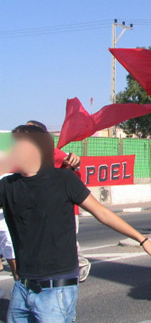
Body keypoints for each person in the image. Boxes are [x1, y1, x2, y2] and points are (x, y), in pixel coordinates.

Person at [0, 125, 151, 322]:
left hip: (55, 289)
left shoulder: (64, 179)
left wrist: (142, 239)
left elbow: (101, 212)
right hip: (22, 287)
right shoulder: (7, 186)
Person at [25, 120, 92, 282]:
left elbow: (75, 171)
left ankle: (81, 263)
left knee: (65, 242)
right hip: (41, 208)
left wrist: (73, 164)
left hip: (64, 209)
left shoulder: (57, 154)